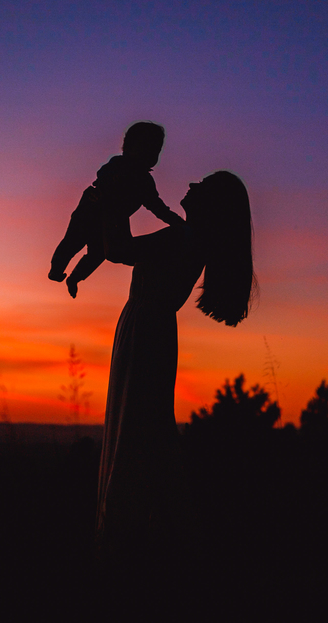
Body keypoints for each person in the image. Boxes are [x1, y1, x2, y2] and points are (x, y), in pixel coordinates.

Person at [95, 170, 257, 578]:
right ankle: (161, 532)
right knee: (146, 427)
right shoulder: (188, 237)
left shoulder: (183, 239)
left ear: (212, 205)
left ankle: (134, 536)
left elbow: (117, 250)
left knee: (138, 428)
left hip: (146, 331)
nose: (192, 186)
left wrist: (114, 199)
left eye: (203, 186)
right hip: (150, 330)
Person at [48, 122, 184, 298]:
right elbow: (103, 175)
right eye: (144, 147)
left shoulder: (145, 182)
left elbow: (158, 207)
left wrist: (177, 222)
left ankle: (75, 278)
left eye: (155, 150)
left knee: (98, 254)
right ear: (128, 147)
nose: (150, 154)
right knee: (73, 241)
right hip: (90, 210)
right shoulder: (118, 165)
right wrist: (111, 185)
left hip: (110, 222)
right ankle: (57, 269)